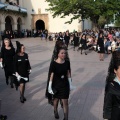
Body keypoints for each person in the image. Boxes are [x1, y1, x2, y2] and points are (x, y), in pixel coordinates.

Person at [47, 47, 73, 120]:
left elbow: (68, 73)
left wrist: (70, 84)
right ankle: (55, 110)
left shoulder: (67, 62)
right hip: (56, 85)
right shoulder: (53, 64)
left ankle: (66, 118)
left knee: (65, 102)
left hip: (65, 85)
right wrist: (49, 87)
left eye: (65, 53)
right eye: (62, 53)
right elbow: (51, 75)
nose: (63, 54)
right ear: (58, 54)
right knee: (56, 100)